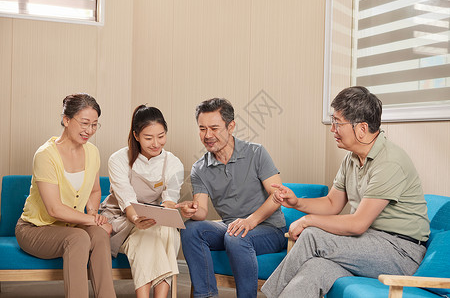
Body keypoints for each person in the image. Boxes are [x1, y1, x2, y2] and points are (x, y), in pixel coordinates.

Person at [261, 86, 430, 298]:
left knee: (312, 236)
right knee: (317, 268)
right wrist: (296, 203)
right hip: (369, 244)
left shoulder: (389, 161)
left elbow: (358, 224)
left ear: (361, 128)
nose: (332, 129)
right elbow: (332, 203)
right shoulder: (351, 159)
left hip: (401, 253)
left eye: (337, 123)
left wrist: (307, 220)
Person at [176, 98, 287, 298]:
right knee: (191, 229)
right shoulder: (199, 168)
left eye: (214, 128)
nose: (208, 135)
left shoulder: (256, 153)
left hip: (269, 229)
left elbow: (277, 196)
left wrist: (250, 221)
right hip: (231, 227)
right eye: (202, 129)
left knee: (236, 236)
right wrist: (191, 211)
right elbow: (201, 211)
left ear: (231, 126)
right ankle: (206, 295)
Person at [15, 94, 116, 298]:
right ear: (66, 120)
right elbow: (55, 209)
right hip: (35, 229)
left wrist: (94, 214)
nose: (90, 130)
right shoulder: (45, 155)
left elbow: (95, 190)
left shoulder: (93, 152)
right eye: (85, 123)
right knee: (78, 237)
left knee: (98, 235)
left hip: (70, 226)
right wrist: (95, 220)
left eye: (95, 125)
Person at [100, 105, 184, 298]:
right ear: (136, 135)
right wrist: (137, 219)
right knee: (153, 234)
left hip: (155, 221)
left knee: (163, 229)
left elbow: (169, 201)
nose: (156, 143)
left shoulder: (173, 163)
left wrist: (174, 210)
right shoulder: (118, 159)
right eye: (148, 138)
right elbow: (127, 201)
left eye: (161, 136)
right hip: (121, 220)